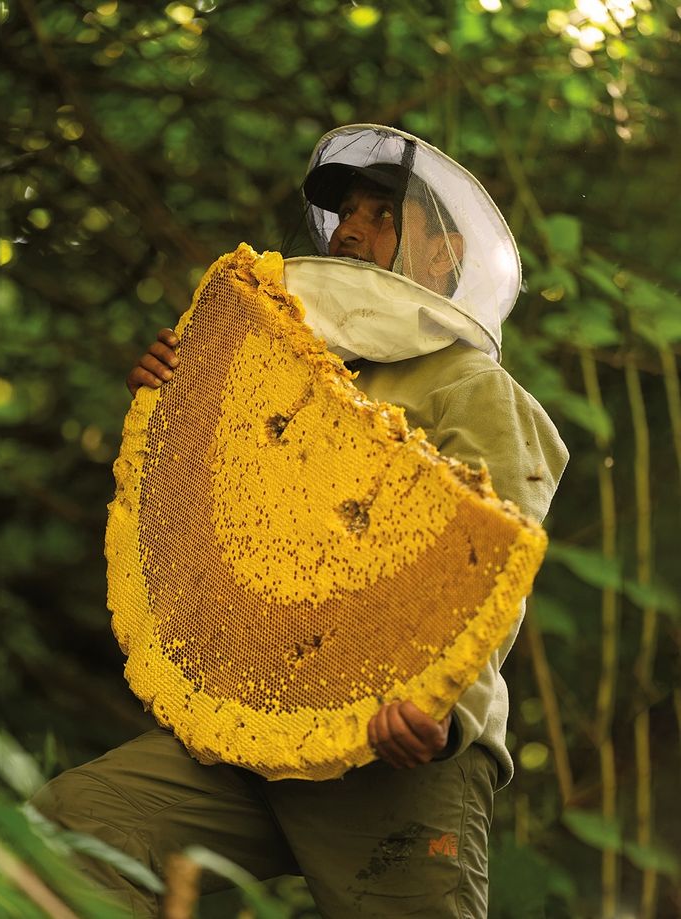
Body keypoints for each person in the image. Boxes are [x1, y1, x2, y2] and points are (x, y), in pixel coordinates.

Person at [33, 125, 568, 918]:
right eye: (345, 211)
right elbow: (225, 519)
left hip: (397, 757)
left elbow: (488, 561)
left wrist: (435, 708)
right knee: (72, 828)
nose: (350, 228)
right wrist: (175, 398)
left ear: (441, 255)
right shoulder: (289, 371)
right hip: (256, 726)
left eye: (381, 215)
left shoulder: (471, 387)